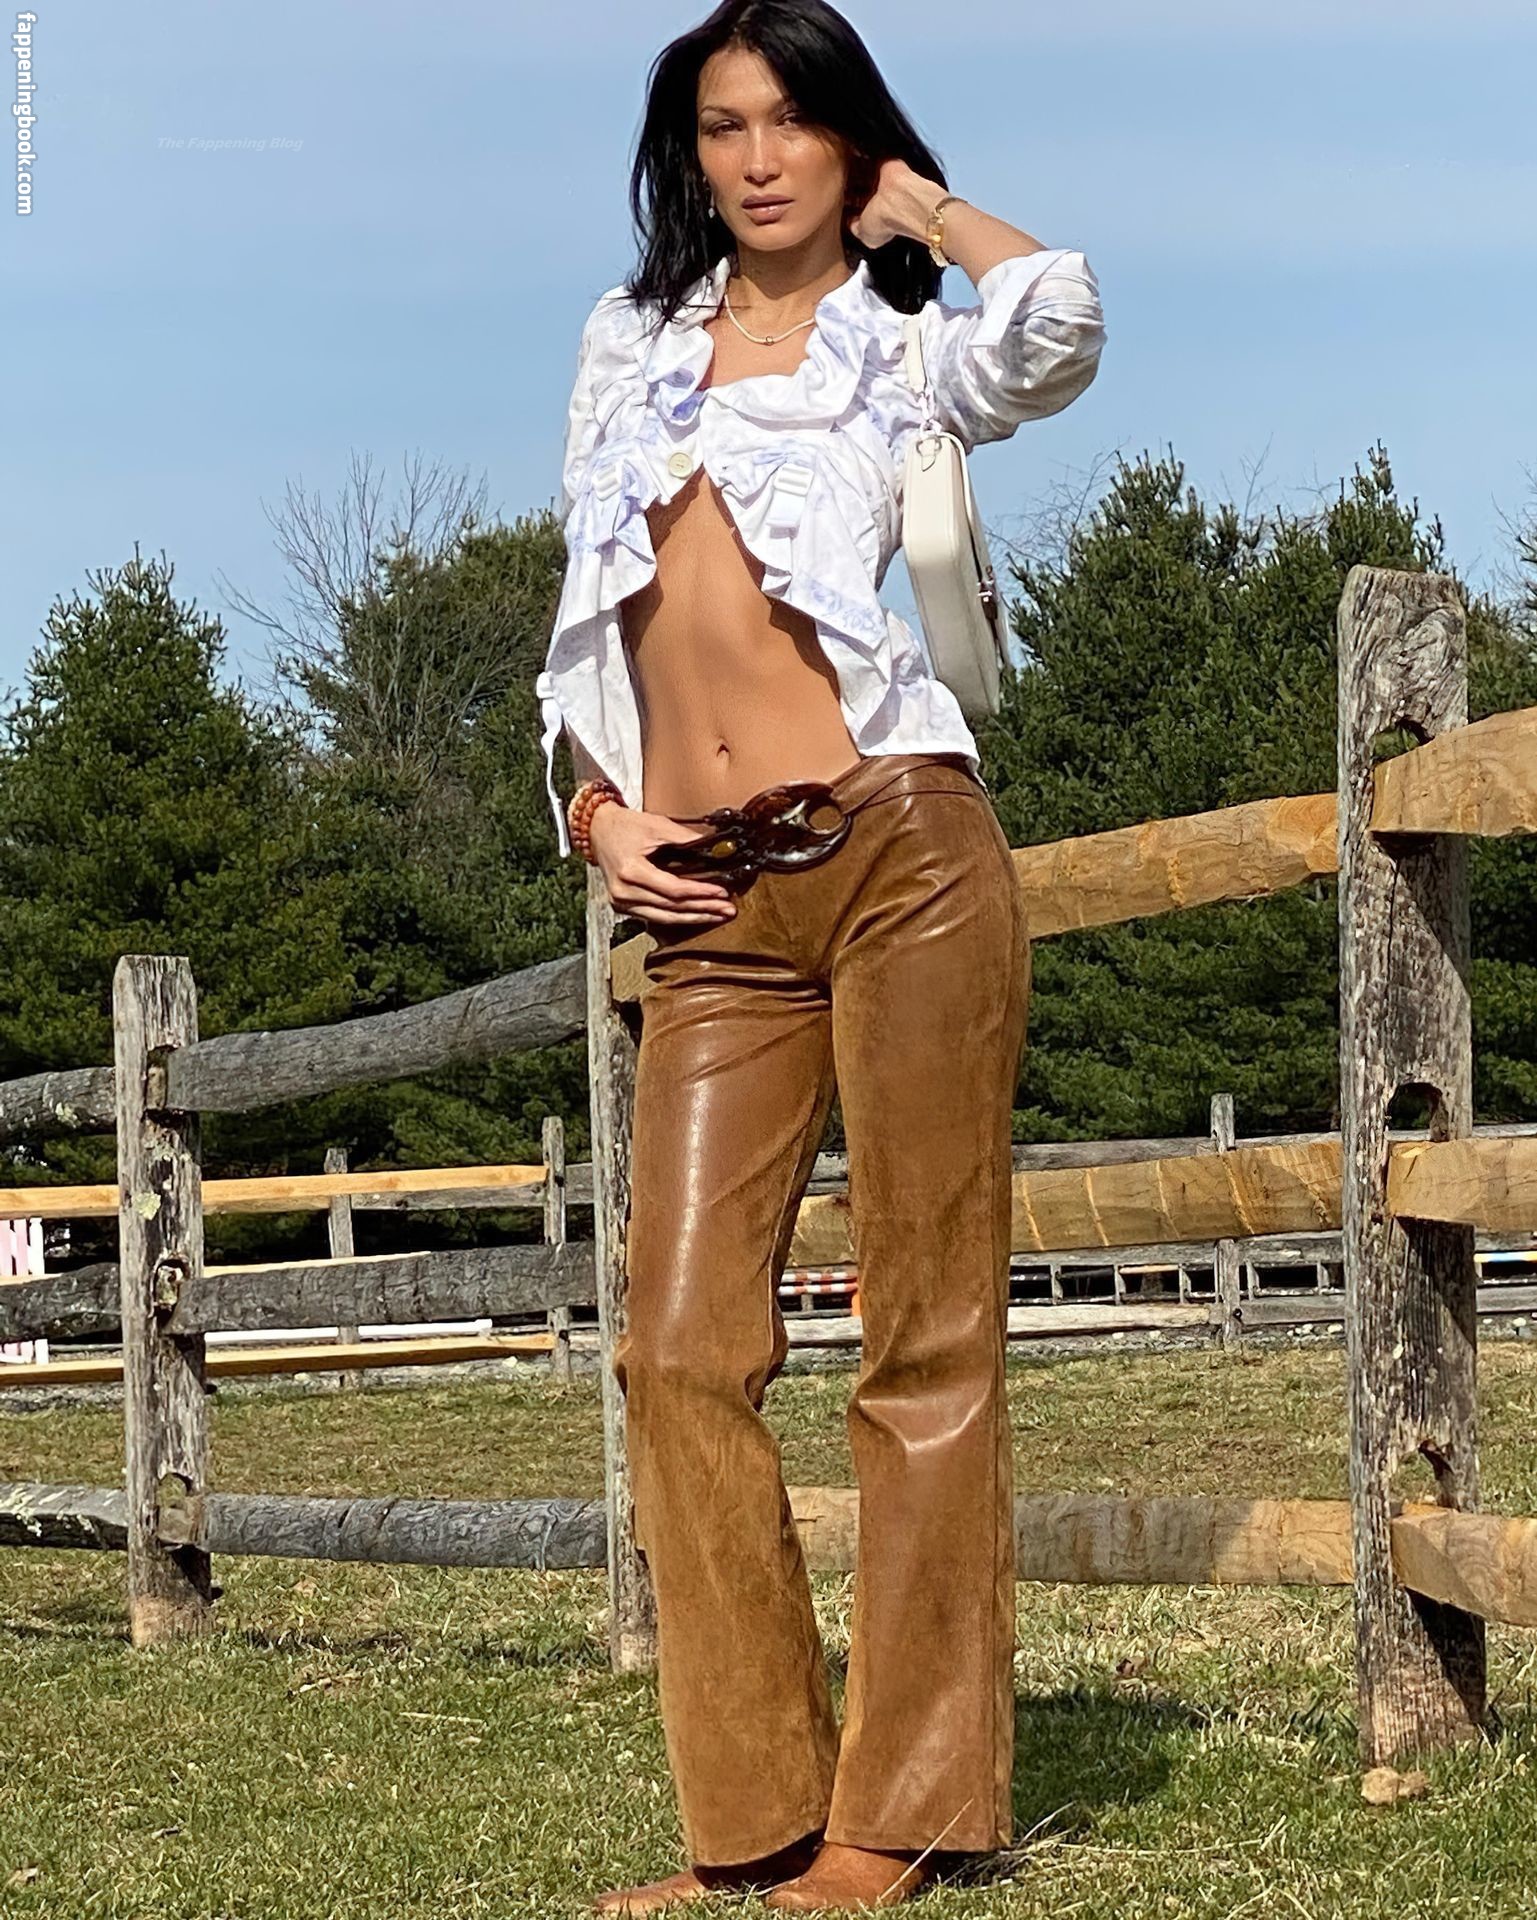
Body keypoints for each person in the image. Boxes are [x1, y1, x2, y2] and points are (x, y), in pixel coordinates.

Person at [538, 3, 1105, 1910]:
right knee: (676, 1350)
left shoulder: (900, 348)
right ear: (686, 154)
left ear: (850, 140)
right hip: (708, 900)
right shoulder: (626, 347)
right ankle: (753, 1824)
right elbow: (581, 622)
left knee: (922, 1332)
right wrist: (592, 810)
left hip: (895, 852)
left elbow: (1061, 320)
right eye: (723, 126)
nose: (758, 156)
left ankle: (907, 1816)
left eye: (794, 121)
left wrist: (926, 217)